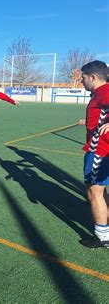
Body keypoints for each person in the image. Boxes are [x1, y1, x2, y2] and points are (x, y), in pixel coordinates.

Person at [79, 60, 109, 248]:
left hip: (100, 150)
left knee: (94, 191)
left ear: (93, 77)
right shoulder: (99, 93)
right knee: (98, 190)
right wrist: (89, 122)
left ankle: (103, 237)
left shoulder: (104, 92)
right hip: (100, 148)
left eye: (82, 78)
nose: (81, 82)